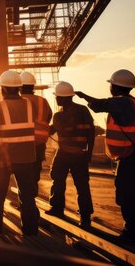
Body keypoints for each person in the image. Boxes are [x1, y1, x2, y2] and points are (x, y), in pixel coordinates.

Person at [75, 69, 135, 246]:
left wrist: (84, 96)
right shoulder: (132, 103)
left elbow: (100, 105)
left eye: (111, 85)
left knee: (127, 196)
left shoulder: (122, 103)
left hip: (129, 158)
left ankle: (132, 235)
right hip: (134, 157)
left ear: (115, 87)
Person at [0, 70, 39, 236]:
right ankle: (30, 233)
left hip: (4, 160)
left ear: (4, 89)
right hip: (27, 159)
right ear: (18, 88)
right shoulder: (30, 105)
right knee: (28, 197)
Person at [46, 81, 95, 228]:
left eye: (57, 97)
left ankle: (57, 208)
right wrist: (89, 153)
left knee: (57, 180)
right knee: (82, 186)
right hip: (80, 153)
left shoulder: (58, 116)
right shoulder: (83, 110)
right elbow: (91, 132)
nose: (56, 99)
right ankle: (85, 218)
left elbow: (56, 129)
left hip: (65, 153)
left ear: (61, 98)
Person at [20, 72, 52, 183]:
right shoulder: (42, 101)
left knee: (23, 174)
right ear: (33, 86)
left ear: (19, 86)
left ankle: (26, 198)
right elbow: (49, 116)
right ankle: (32, 195)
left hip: (23, 143)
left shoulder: (18, 101)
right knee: (35, 172)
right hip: (39, 142)